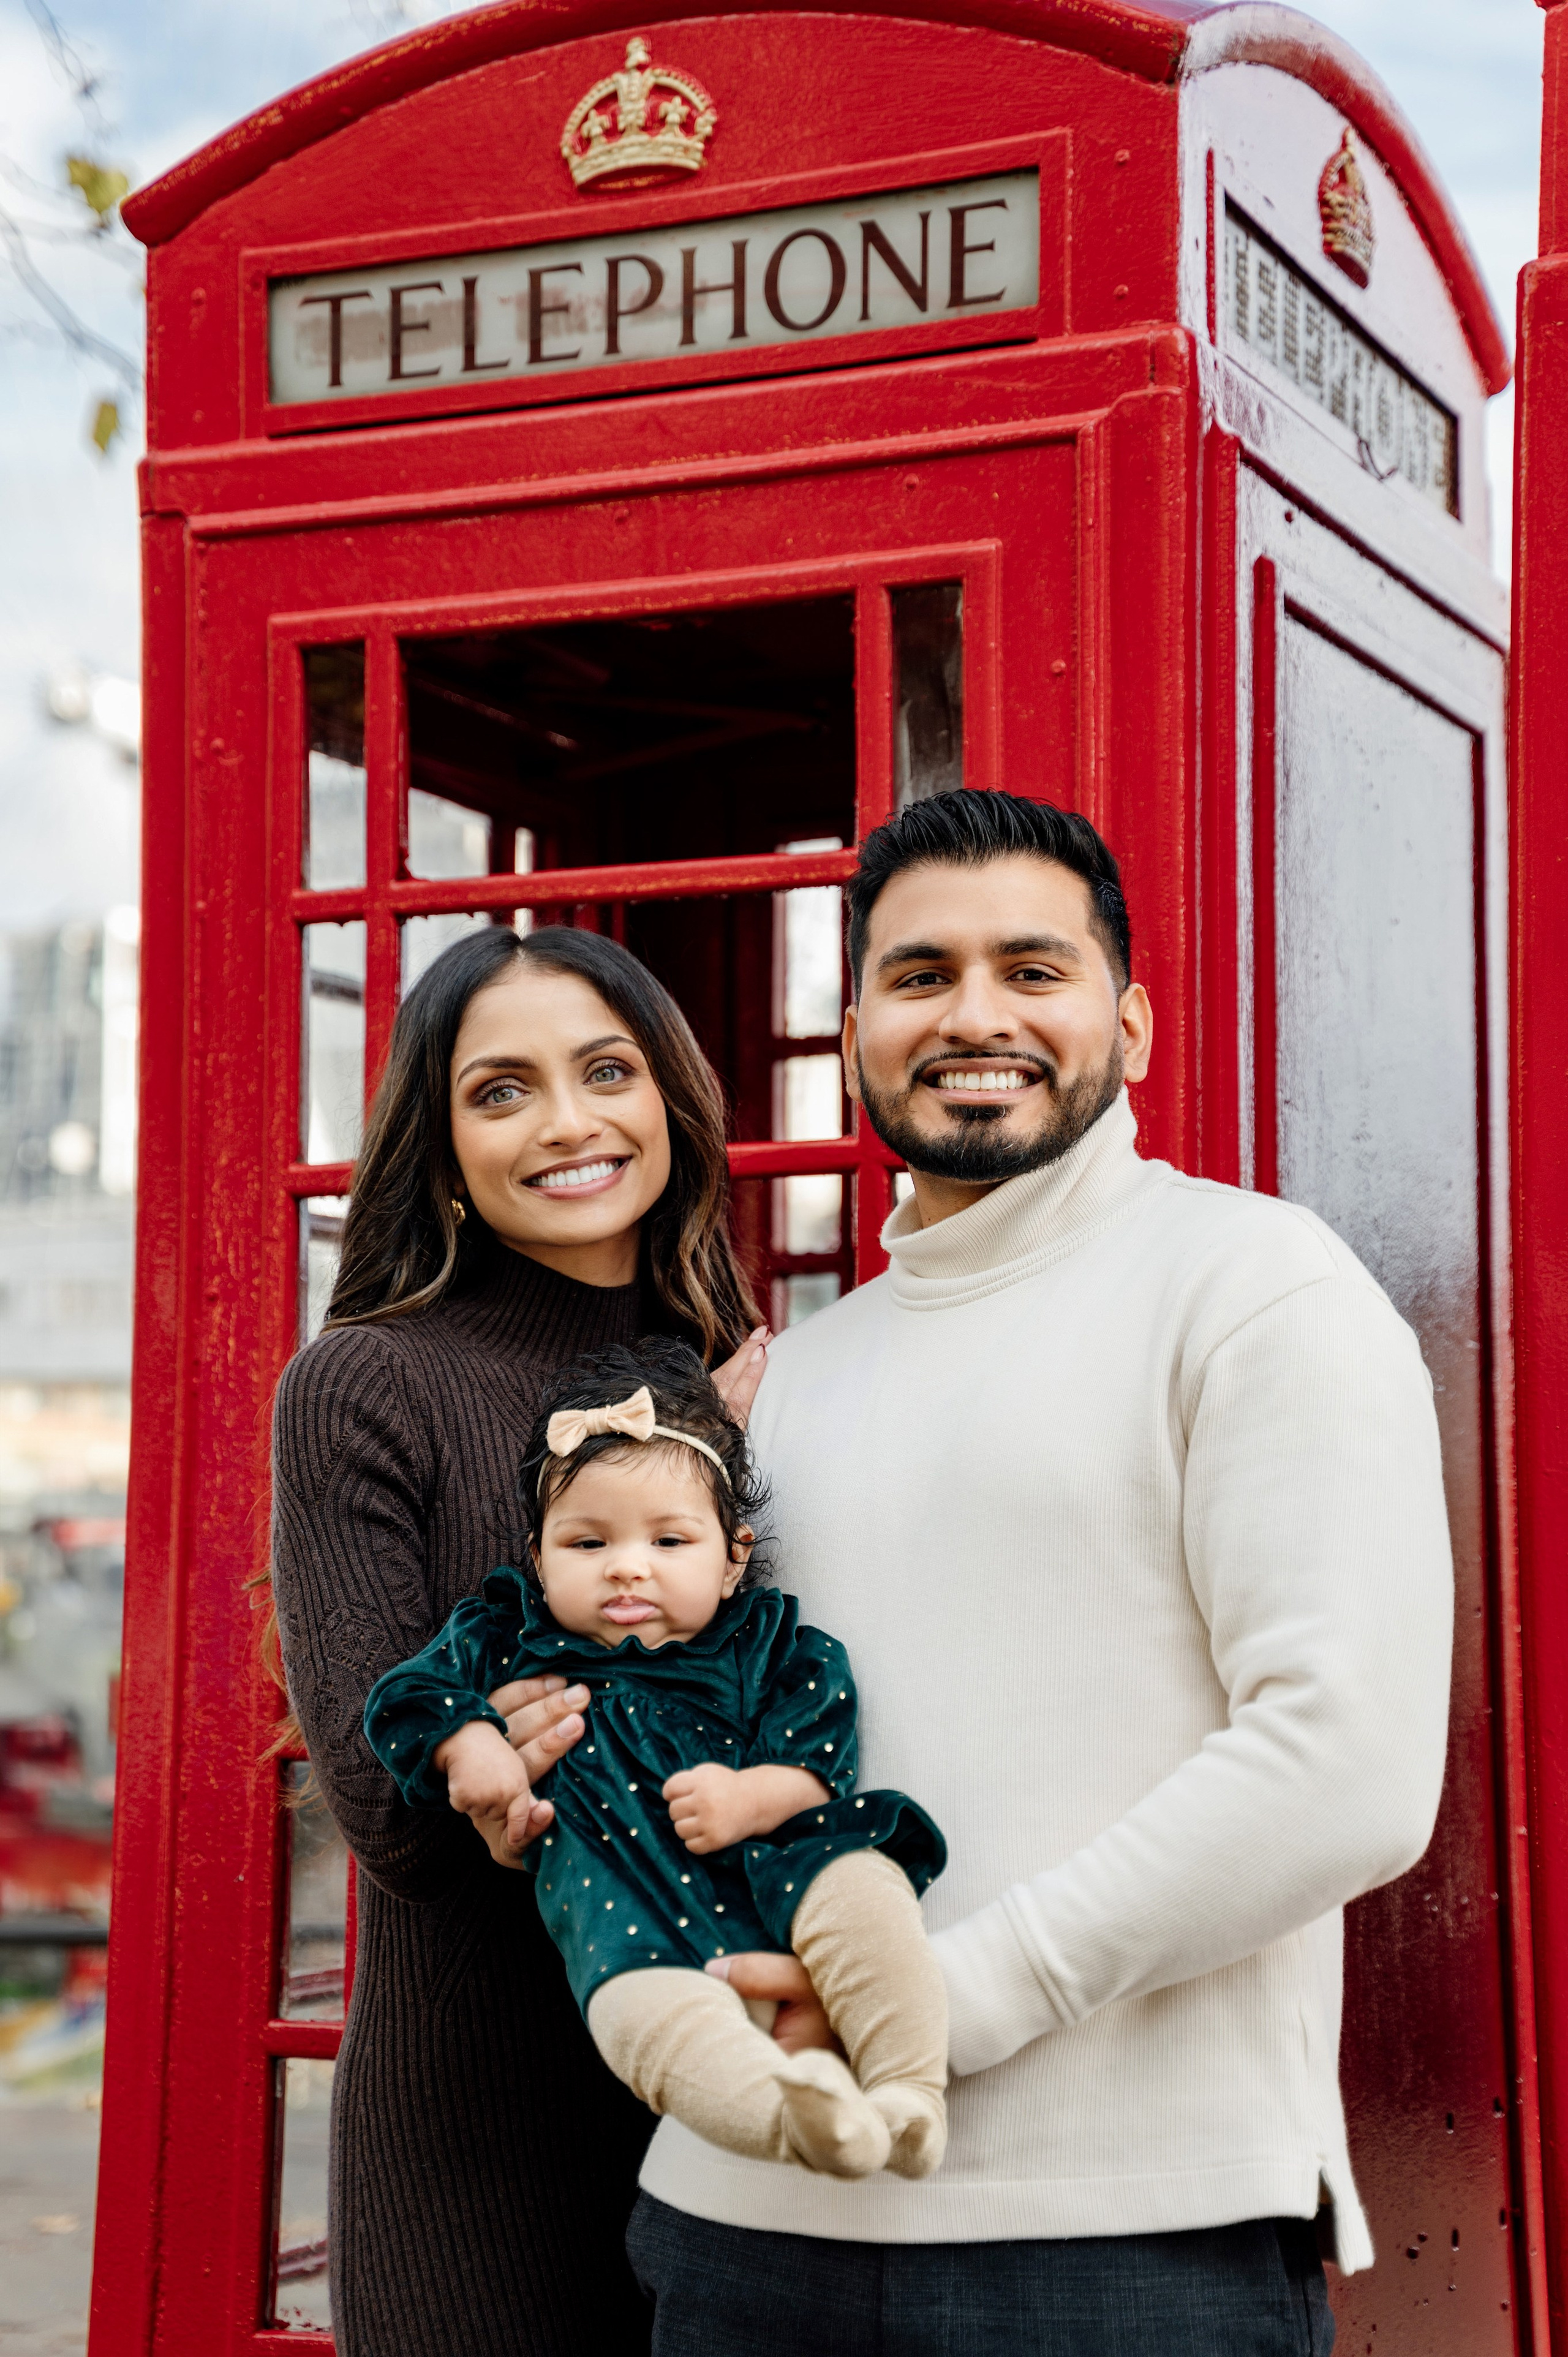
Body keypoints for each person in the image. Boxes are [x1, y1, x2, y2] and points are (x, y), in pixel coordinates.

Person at [624, 789, 1453, 2356]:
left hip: (1116, 2240)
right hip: (740, 2216)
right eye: (921, 975)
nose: (974, 1014)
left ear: (1128, 1024)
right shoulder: (797, 1377)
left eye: (1032, 967)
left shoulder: (1255, 1286)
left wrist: (947, 2000)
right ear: (855, 1023)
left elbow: (1345, 1765)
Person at [268, 926, 770, 2357]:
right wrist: (677, 1477)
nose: (565, 1121)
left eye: (604, 1069)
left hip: (734, 2101)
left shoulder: (728, 1364)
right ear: (439, 1151)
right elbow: (399, 1814)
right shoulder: (366, 1382)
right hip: (484, 2134)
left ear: (668, 1099)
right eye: (499, 1090)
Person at [361, 1335, 949, 2181]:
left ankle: (907, 2092)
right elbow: (405, 1696)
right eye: (587, 1544)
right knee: (644, 2022)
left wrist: (752, 1799)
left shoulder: (771, 1643)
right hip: (618, 1902)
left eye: (670, 1543)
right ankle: (799, 2117)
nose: (627, 1568)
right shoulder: (510, 1634)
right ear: (537, 1558)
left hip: (779, 1863)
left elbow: (822, 1759)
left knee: (866, 1891)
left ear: (733, 1558)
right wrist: (471, 1742)